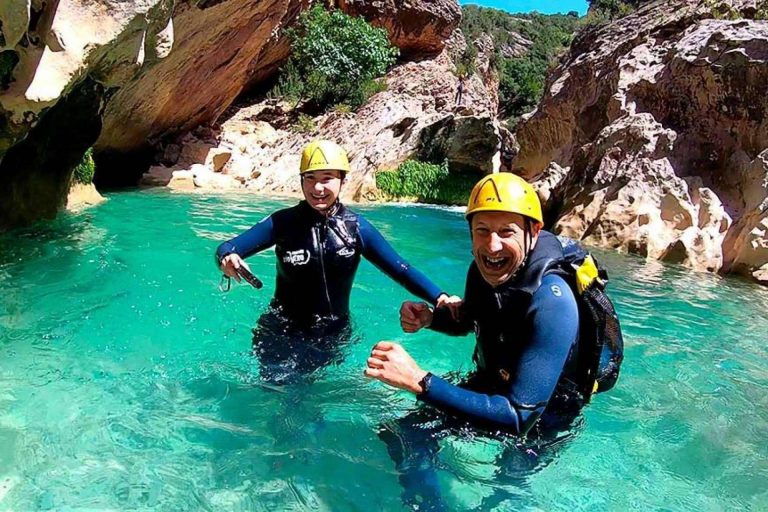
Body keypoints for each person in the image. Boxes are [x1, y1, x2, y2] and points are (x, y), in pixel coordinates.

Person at [365, 172, 623, 508]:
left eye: (507, 232)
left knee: (506, 490)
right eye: (482, 230)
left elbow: (518, 418)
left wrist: (420, 381)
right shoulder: (484, 269)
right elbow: (478, 321)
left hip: (542, 415)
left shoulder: (553, 302)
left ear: (532, 232)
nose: (493, 245)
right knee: (405, 434)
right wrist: (432, 319)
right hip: (493, 384)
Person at [215, 139, 456, 383]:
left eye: (327, 178)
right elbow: (227, 247)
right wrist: (227, 258)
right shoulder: (282, 223)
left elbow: (401, 269)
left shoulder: (357, 228)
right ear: (301, 180)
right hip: (280, 329)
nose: (317, 188)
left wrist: (439, 297)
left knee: (308, 394)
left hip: (331, 333)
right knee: (275, 389)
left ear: (343, 180)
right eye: (310, 178)